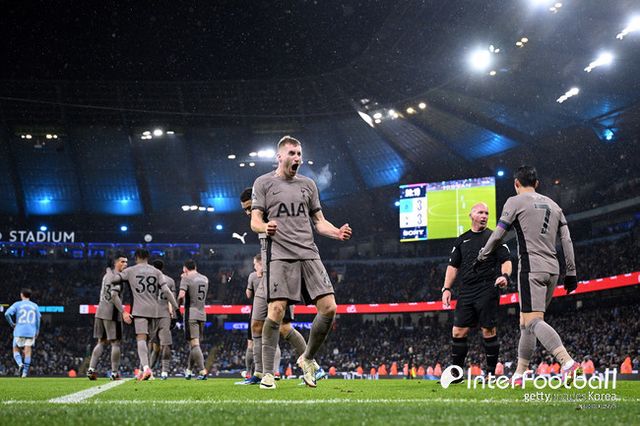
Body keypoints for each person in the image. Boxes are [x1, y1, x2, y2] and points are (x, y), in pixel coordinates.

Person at [250, 135, 352, 389]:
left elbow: (319, 222)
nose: (297, 158)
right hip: (280, 254)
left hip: (308, 252)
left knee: (329, 308)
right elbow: (254, 221)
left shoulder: (308, 185)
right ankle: (267, 375)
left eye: (299, 154)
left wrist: (337, 232)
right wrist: (265, 227)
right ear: (279, 156)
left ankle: (307, 358)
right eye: (292, 153)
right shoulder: (263, 183)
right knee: (276, 310)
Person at [476, 165, 580, 385]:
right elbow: (567, 240)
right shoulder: (554, 205)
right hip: (553, 269)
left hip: (531, 268)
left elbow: (498, 235)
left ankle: (567, 362)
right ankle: (519, 375)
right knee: (525, 322)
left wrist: (483, 255)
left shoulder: (514, 202)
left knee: (533, 321)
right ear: (537, 183)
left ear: (516, 183)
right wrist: (571, 272)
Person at [237, 187, 325, 386]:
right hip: (266, 277)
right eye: (245, 209)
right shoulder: (258, 221)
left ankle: (314, 367)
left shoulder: (277, 217)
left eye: (250, 207)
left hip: (282, 275)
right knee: (256, 324)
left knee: (284, 327)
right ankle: (258, 373)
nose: (248, 212)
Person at [442, 202, 512, 382]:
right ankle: (456, 374)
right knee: (458, 332)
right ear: (471, 215)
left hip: (487, 289)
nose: (484, 216)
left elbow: (506, 260)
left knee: (488, 330)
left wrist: (504, 275)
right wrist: (446, 288)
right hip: (466, 291)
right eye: (480, 212)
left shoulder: (494, 237)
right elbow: (453, 266)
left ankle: (491, 374)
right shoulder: (462, 240)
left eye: (487, 213)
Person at [112, 248, 180, 381]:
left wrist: (117, 272)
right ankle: (146, 370)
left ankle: (146, 368)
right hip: (155, 311)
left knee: (142, 339)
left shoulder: (130, 270)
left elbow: (114, 279)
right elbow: (166, 291)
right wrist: (176, 308)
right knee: (151, 343)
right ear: (148, 257)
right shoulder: (156, 272)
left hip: (140, 310)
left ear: (136, 257)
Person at [87, 253, 130, 381]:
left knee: (101, 341)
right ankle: (115, 373)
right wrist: (123, 312)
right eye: (122, 261)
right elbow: (114, 295)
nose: (125, 264)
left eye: (126, 262)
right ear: (115, 262)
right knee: (115, 343)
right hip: (111, 312)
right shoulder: (117, 277)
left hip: (100, 310)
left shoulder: (107, 275)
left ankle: (91, 369)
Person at [177, 259, 209, 380]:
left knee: (194, 344)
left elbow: (181, 295)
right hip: (202, 313)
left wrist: (177, 306)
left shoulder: (186, 278)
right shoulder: (205, 278)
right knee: (194, 344)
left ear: (185, 268)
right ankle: (189, 370)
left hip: (191, 314)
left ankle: (202, 371)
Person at [148, 259, 176, 380]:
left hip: (151, 314)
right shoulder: (170, 280)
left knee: (154, 347)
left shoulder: (148, 280)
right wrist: (173, 315)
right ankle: (164, 372)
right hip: (164, 314)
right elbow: (171, 299)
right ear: (162, 268)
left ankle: (148, 371)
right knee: (166, 344)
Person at [5, 288, 41, 378]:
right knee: (28, 352)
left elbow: (7, 314)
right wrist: (37, 331)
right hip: (31, 332)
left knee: (16, 349)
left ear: (21, 295)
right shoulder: (35, 306)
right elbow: (38, 319)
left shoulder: (17, 304)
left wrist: (12, 323)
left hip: (19, 331)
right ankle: (24, 373)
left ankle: (20, 364)